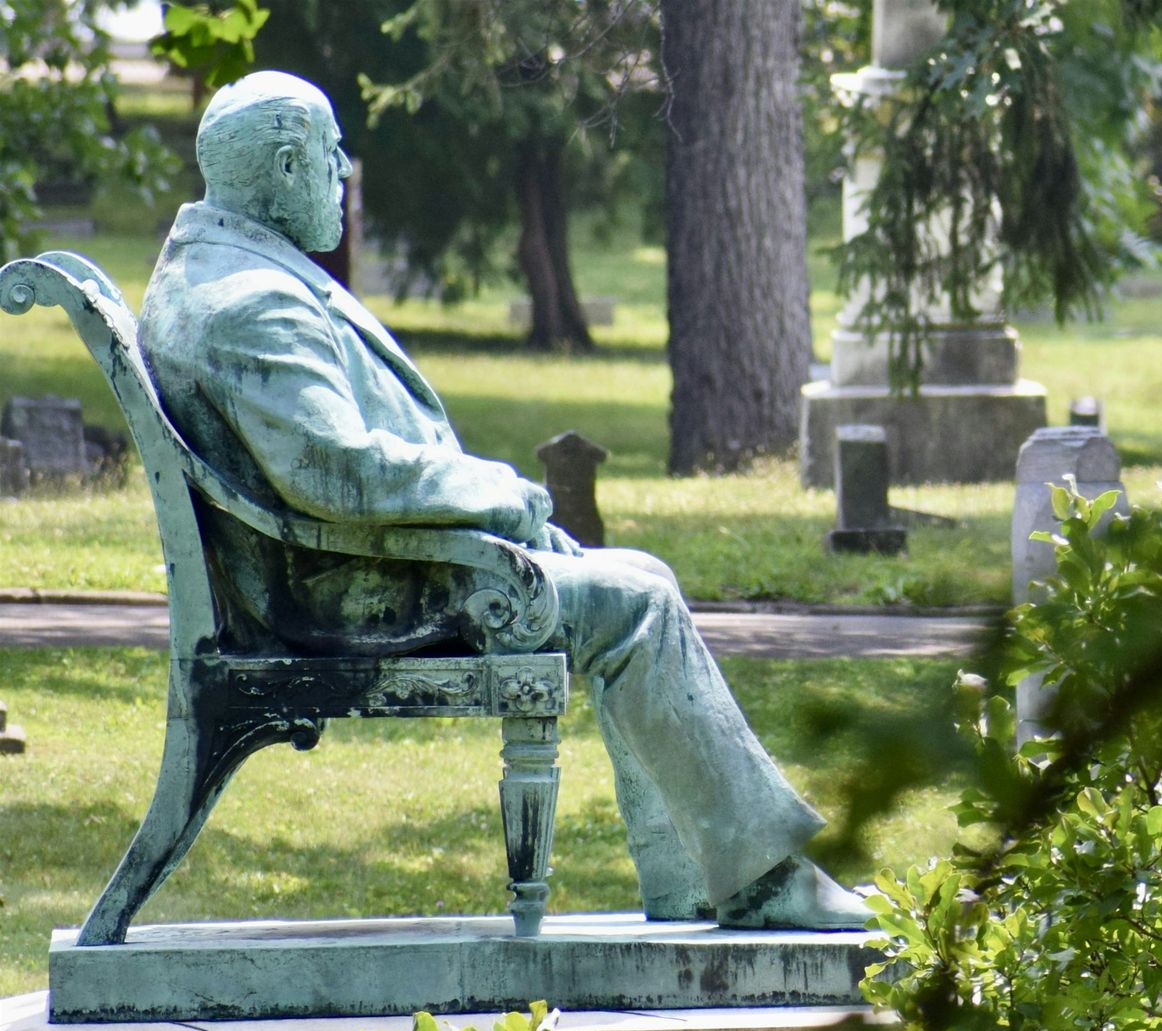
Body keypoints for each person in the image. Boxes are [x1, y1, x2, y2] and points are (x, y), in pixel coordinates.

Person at [139, 71, 870, 930]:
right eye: (332, 152)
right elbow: (338, 470)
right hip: (349, 595)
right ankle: (760, 878)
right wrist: (502, 497)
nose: (345, 166)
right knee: (637, 605)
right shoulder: (248, 301)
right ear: (291, 165)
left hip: (340, 567)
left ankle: (697, 876)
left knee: (639, 575)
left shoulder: (217, 267)